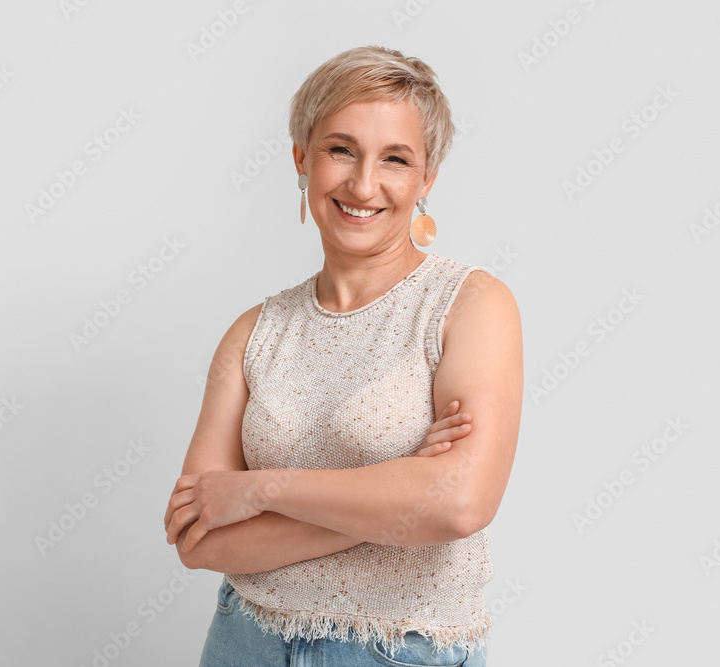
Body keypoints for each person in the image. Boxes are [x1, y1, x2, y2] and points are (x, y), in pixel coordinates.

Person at [165, 45, 523, 667]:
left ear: (426, 178)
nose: (363, 184)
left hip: (399, 651)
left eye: (395, 159)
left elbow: (461, 503)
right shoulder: (254, 333)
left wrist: (260, 490)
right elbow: (199, 539)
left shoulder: (469, 305)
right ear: (302, 156)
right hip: (245, 643)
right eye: (340, 149)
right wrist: (399, 502)